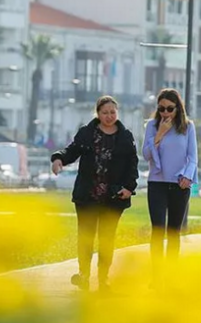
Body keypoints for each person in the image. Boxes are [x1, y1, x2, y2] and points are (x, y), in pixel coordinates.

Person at [50, 96, 139, 293]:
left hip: (113, 197)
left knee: (107, 238)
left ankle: (103, 279)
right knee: (86, 237)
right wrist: (58, 159)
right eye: (105, 113)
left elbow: (133, 165)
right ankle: (83, 275)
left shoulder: (125, 136)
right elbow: (71, 151)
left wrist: (129, 187)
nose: (109, 116)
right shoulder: (87, 133)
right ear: (98, 114)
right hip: (87, 195)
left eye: (113, 112)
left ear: (117, 113)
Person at [142, 88, 198, 288]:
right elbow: (146, 155)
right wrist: (160, 134)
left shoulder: (188, 127)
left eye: (170, 108)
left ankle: (171, 277)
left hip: (179, 185)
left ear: (178, 108)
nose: (165, 113)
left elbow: (193, 157)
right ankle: (156, 278)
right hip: (157, 183)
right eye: (161, 109)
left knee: (173, 232)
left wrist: (187, 176)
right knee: (158, 231)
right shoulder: (152, 126)